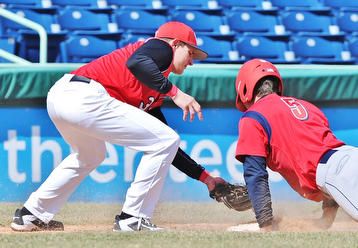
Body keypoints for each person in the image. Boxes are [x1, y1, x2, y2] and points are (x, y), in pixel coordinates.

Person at [11, 21, 227, 232]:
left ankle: (32, 215)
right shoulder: (163, 47)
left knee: (92, 155)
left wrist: (206, 178)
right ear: (176, 44)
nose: (192, 62)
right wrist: (177, 93)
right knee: (164, 140)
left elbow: (169, 149)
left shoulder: (154, 88)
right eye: (190, 53)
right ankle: (133, 218)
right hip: (85, 96)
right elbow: (137, 61)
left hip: (62, 95)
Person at [234, 58, 358, 231]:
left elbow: (255, 174)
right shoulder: (309, 107)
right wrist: (326, 219)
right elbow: (326, 154)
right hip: (349, 158)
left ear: (246, 90)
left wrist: (265, 226)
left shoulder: (253, 117)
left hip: (339, 173)